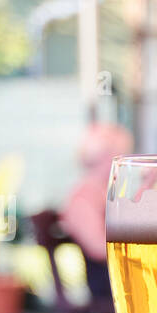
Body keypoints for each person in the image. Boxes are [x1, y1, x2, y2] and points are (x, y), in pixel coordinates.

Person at [60, 123, 134, 299]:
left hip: (117, 277)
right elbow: (98, 247)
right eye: (121, 155)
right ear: (105, 156)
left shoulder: (105, 193)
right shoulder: (83, 197)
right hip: (108, 284)